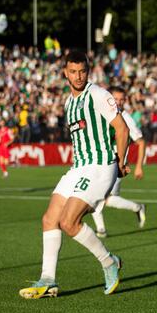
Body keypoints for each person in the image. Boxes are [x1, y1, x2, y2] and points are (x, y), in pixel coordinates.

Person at [19, 51, 129, 299]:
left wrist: (121, 161)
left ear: (88, 71)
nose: (78, 76)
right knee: (50, 219)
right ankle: (48, 280)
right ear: (65, 73)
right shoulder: (69, 103)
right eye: (73, 72)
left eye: (82, 71)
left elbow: (122, 130)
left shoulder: (99, 95)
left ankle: (109, 262)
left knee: (69, 222)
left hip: (101, 165)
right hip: (79, 166)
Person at [90, 86, 147, 238]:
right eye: (116, 99)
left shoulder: (126, 119)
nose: (119, 102)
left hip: (116, 165)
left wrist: (139, 167)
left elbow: (141, 142)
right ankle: (102, 228)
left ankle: (102, 229)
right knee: (101, 197)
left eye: (122, 99)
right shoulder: (103, 114)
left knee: (101, 197)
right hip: (100, 162)